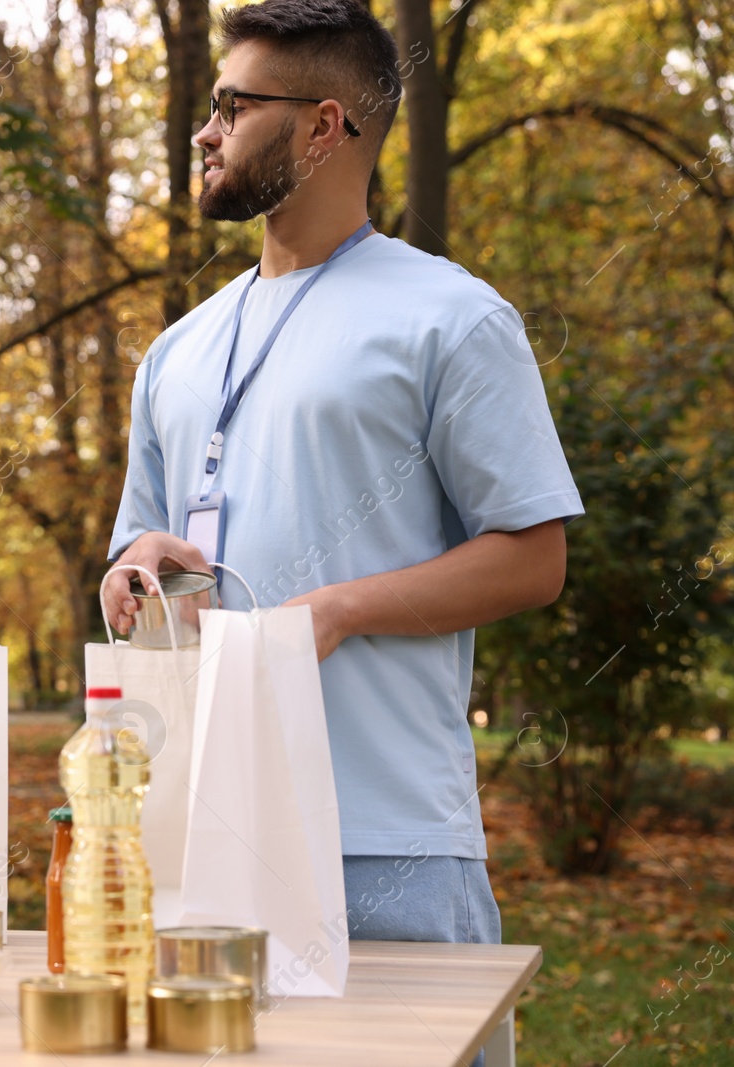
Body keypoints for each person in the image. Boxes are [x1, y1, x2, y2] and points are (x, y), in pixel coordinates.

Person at [105, 0, 582, 963]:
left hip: (385, 840)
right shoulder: (174, 350)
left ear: (325, 127)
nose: (204, 132)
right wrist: (136, 562)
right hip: (193, 830)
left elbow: (535, 559)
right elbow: (136, 548)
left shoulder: (454, 319)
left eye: (233, 107)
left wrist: (335, 610)